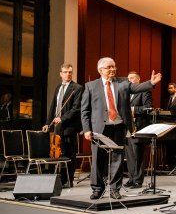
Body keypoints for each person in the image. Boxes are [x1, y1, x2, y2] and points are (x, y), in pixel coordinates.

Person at [81, 57, 161, 200]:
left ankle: (114, 189)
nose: (112, 69)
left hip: (118, 127)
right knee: (98, 159)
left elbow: (136, 88)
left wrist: (151, 83)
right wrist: (87, 129)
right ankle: (97, 189)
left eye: (114, 67)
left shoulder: (123, 82)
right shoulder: (91, 86)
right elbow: (85, 110)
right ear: (100, 70)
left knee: (117, 159)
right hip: (99, 128)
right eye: (109, 67)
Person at [42, 64, 83, 187]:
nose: (68, 74)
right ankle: (60, 177)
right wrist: (47, 123)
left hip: (70, 126)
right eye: (65, 72)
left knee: (69, 153)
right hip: (57, 126)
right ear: (61, 73)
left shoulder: (77, 88)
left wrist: (62, 118)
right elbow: (54, 107)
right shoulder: (58, 87)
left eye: (70, 72)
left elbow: (76, 109)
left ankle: (68, 180)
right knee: (59, 152)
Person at [123, 71, 152, 189]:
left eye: (132, 78)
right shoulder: (126, 92)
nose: (129, 80)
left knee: (138, 154)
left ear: (138, 79)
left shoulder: (144, 91)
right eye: (128, 78)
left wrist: (132, 109)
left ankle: (138, 180)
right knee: (129, 155)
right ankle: (131, 178)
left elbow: (148, 107)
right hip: (127, 127)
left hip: (138, 126)